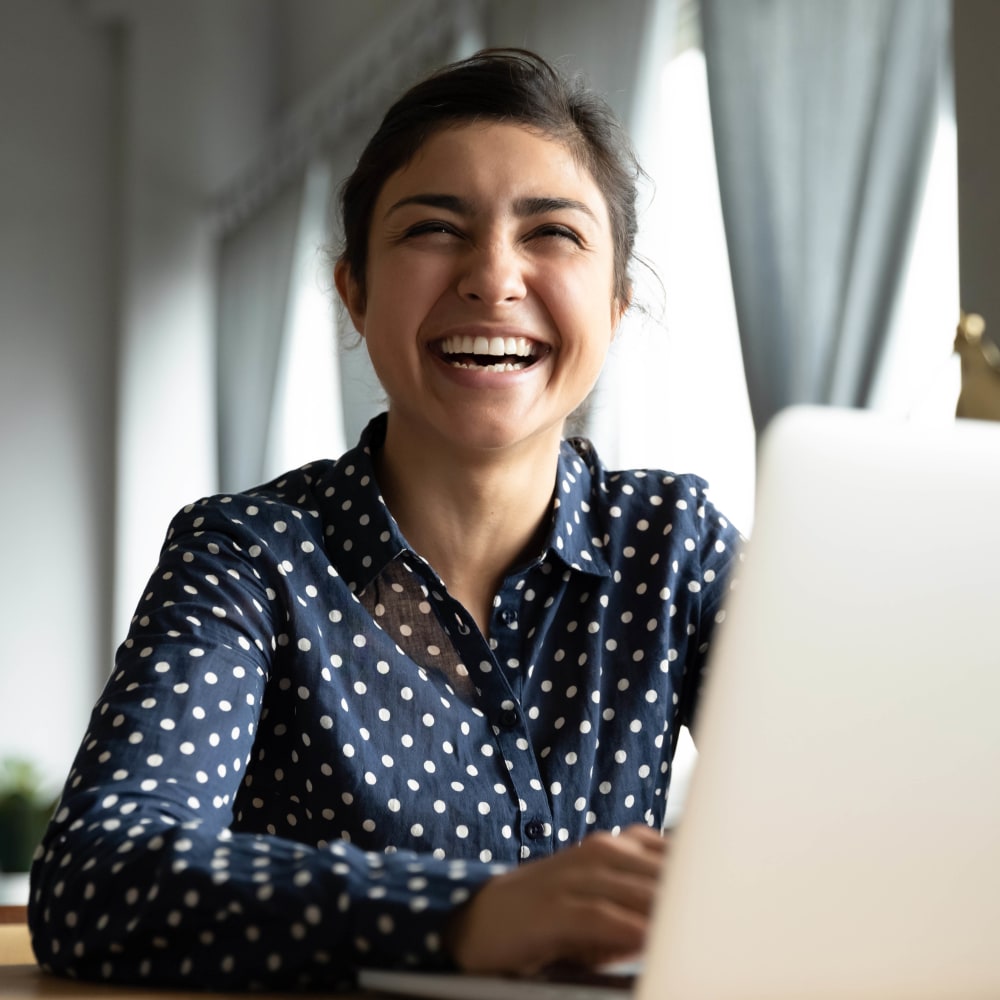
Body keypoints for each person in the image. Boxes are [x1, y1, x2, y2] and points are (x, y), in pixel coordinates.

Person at [28, 48, 742, 991]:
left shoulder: (675, 544)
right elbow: (97, 878)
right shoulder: (248, 556)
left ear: (614, 306)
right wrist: (465, 914)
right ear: (353, 293)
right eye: (434, 229)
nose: (493, 278)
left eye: (553, 234)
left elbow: (850, 807)